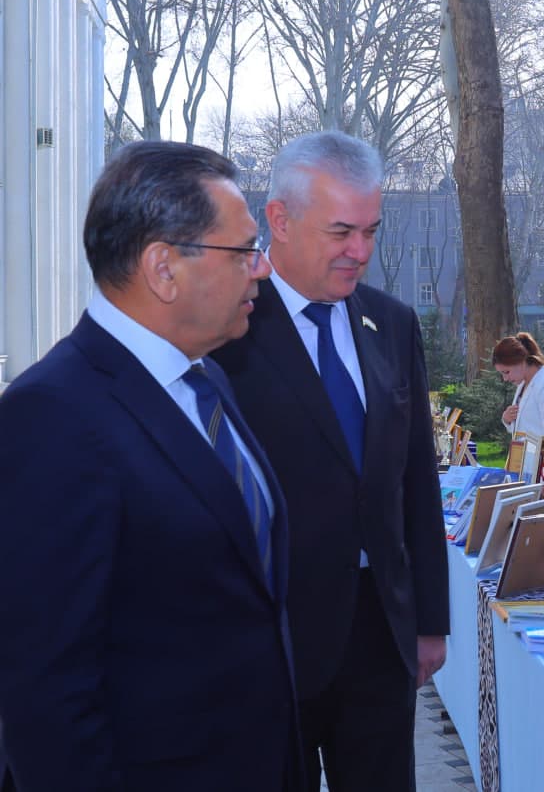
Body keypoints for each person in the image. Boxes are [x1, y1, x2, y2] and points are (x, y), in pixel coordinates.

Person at [0, 141, 298, 791]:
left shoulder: (207, 378)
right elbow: (44, 694)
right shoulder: (52, 415)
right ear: (164, 268)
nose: (263, 269)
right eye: (244, 250)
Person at [210, 131, 449, 792]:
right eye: (341, 231)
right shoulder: (225, 327)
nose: (360, 251)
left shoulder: (392, 323)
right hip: (271, 635)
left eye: (371, 231)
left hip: (380, 633)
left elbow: (415, 479)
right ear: (279, 220)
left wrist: (430, 620)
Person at [494, 332, 544, 443]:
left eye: (506, 372)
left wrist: (529, 451)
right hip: (526, 454)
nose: (505, 379)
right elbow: (525, 429)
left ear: (521, 361)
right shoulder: (523, 385)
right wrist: (507, 419)